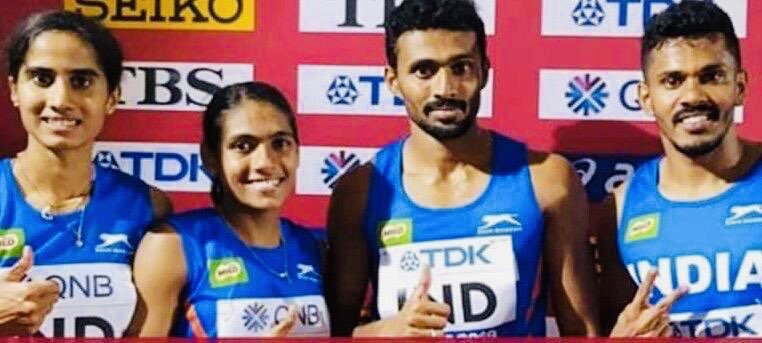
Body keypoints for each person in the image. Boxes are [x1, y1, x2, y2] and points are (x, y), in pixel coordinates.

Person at [326, 0, 603, 337]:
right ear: (393, 80)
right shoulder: (359, 193)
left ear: (484, 70)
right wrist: (380, 333)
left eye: (461, 67)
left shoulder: (547, 180)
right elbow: (335, 333)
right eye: (424, 71)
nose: (445, 89)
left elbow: (583, 331)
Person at [0, 10, 171, 337]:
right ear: (14, 90)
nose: (61, 100)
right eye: (41, 78)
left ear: (112, 97)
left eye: (81, 81)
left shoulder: (148, 206)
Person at [598, 0, 761, 338]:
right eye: (672, 81)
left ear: (740, 86)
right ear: (645, 98)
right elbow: (616, 324)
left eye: (712, 76)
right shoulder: (619, 208)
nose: (693, 95)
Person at [132, 81, 329, 338]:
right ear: (210, 157)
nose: (266, 162)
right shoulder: (174, 246)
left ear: (298, 152)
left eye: (280, 143)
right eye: (243, 146)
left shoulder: (314, 247)